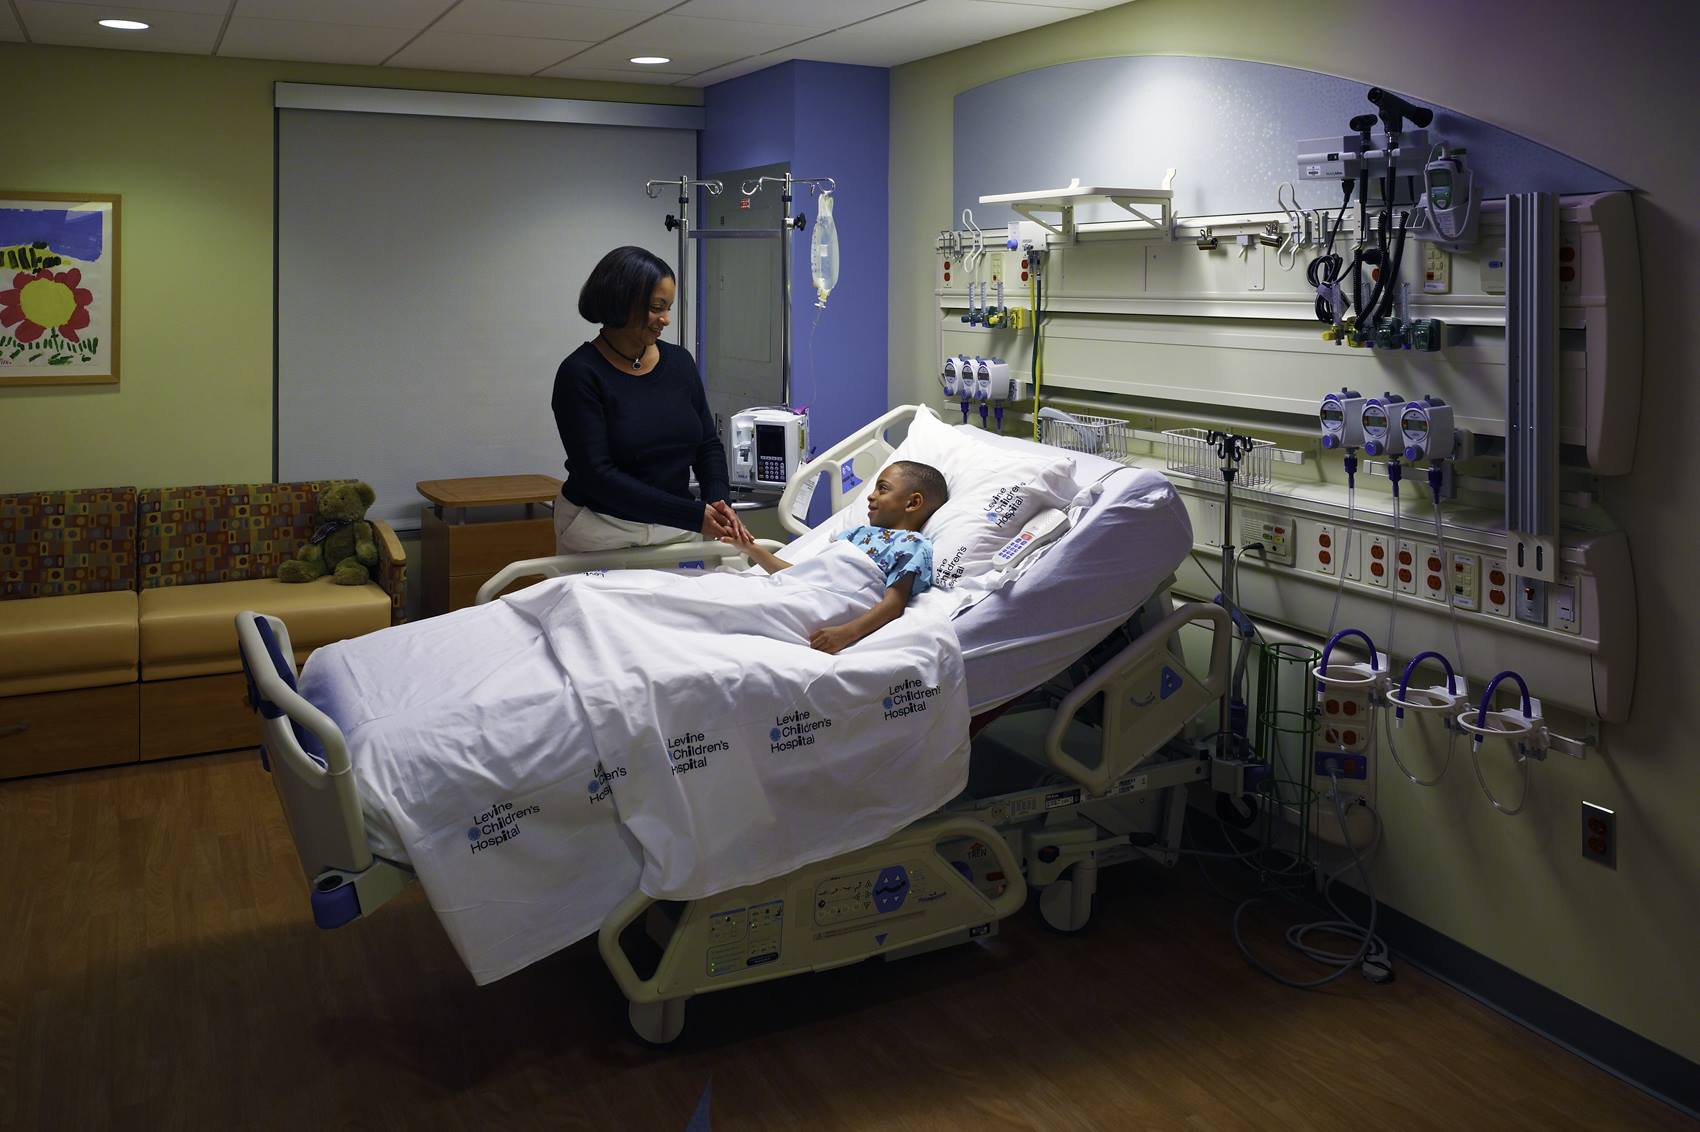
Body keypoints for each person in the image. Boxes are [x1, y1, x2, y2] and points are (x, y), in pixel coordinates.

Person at [551, 246, 751, 554]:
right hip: (601, 529)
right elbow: (597, 475)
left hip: (676, 531)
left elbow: (707, 445)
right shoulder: (580, 374)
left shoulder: (680, 363)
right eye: (657, 307)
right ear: (622, 301)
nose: (666, 319)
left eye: (668, 307)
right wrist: (691, 514)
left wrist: (717, 499)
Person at [724, 461, 948, 654]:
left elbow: (893, 605)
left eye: (883, 489)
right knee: (726, 596)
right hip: (795, 590)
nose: (871, 495)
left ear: (912, 503)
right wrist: (750, 548)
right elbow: (803, 576)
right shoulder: (854, 533)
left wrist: (846, 634)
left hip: (819, 604)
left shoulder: (911, 544)